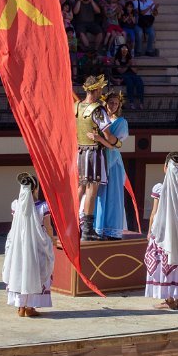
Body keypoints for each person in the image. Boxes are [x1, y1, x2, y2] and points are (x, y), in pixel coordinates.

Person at [145, 152, 178, 310]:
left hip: (164, 235)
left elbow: (154, 213)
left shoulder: (161, 188)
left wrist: (149, 232)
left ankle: (168, 299)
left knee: (163, 265)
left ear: (165, 167)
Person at [2, 173, 55, 318]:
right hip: (37, 244)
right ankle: (30, 306)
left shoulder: (16, 205)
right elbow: (48, 226)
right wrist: (52, 239)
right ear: (35, 188)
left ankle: (20, 306)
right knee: (35, 272)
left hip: (19, 244)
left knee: (20, 270)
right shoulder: (43, 206)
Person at [75, 75, 114, 240]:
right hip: (94, 154)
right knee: (92, 190)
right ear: (96, 89)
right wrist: (113, 142)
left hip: (80, 151)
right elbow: (108, 135)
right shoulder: (97, 109)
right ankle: (87, 230)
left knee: (80, 188)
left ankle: (73, 224)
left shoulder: (76, 106)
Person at [92, 90, 129, 240]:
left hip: (112, 162)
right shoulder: (99, 118)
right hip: (98, 159)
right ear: (105, 103)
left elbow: (114, 144)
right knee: (98, 195)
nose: (113, 105)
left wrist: (100, 139)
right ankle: (97, 227)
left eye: (116, 103)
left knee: (113, 196)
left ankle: (111, 229)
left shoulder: (121, 122)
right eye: (110, 102)